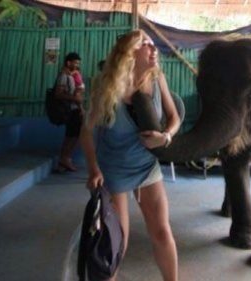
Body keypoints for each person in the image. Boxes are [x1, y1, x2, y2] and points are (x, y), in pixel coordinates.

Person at [80, 30, 180, 281]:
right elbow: (86, 132)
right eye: (146, 44)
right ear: (129, 52)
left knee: (161, 231)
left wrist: (165, 136)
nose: (154, 49)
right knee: (116, 242)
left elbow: (174, 118)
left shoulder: (157, 79)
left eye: (154, 44)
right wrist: (94, 169)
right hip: (113, 170)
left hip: (146, 166)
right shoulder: (107, 86)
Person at [55, 52, 84, 172]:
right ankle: (65, 159)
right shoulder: (64, 76)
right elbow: (58, 94)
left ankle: (64, 161)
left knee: (73, 136)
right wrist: (74, 99)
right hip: (71, 110)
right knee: (72, 136)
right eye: (75, 63)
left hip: (76, 109)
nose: (77, 65)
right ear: (68, 63)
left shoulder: (73, 76)